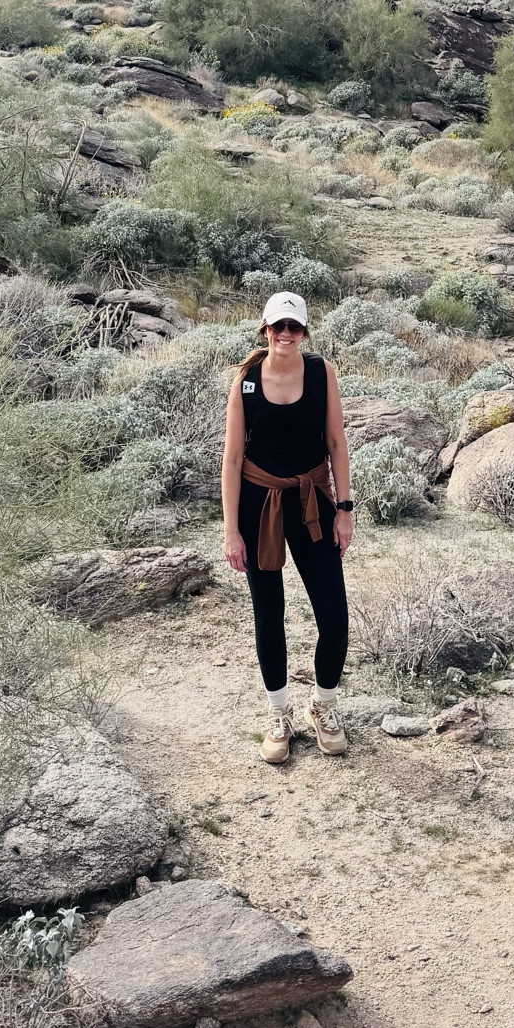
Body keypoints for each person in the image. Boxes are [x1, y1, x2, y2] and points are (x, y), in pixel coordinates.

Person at [221, 290, 354, 765]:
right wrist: (231, 530)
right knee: (268, 614)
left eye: (293, 327)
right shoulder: (246, 380)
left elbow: (336, 441)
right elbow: (233, 459)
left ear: (303, 332)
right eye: (277, 327)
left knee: (334, 617)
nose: (284, 334)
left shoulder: (321, 372)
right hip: (259, 505)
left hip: (313, 502)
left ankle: (324, 704)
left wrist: (345, 507)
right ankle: (279, 714)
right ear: (265, 329)